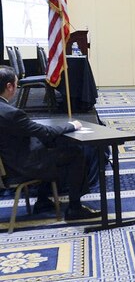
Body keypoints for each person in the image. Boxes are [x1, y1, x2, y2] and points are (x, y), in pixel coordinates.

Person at [0, 67, 100, 221]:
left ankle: (42, 201)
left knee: (51, 146)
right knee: (75, 153)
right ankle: (74, 208)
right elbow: (44, 132)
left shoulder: (7, 111)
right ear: (9, 86)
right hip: (21, 166)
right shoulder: (11, 113)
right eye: (17, 84)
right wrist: (72, 126)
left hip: (8, 162)